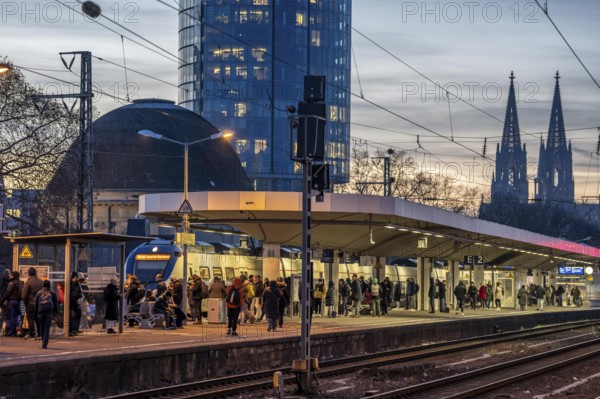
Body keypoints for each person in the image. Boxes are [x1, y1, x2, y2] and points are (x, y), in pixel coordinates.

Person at [34, 279, 58, 349]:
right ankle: (44, 344)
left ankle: (43, 342)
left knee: (42, 328)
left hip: (40, 312)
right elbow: (55, 303)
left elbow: (36, 304)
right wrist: (55, 312)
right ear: (50, 285)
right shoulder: (53, 293)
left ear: (43, 285)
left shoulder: (39, 293)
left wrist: (35, 314)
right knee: (47, 328)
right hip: (49, 313)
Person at [22, 267, 43, 339]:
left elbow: (24, 295)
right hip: (39, 304)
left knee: (30, 319)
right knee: (38, 319)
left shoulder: (28, 282)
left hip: (30, 304)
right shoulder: (41, 282)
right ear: (35, 273)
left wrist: (25, 302)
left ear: (29, 274)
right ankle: (40, 334)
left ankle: (32, 334)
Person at [1, 271, 22, 336]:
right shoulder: (20, 282)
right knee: (15, 317)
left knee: (11, 316)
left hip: (11, 301)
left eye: (11, 274)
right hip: (18, 301)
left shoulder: (12, 283)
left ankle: (12, 332)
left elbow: (8, 292)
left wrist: (1, 301)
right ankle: (16, 331)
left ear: (13, 275)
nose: (10, 275)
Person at [69, 272, 83, 337]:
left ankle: (75, 329)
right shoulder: (71, 283)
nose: (75, 278)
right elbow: (71, 292)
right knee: (72, 316)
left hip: (76, 301)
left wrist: (79, 295)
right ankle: (72, 330)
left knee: (77, 315)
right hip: (71, 302)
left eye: (76, 277)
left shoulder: (77, 284)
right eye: (74, 277)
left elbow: (79, 292)